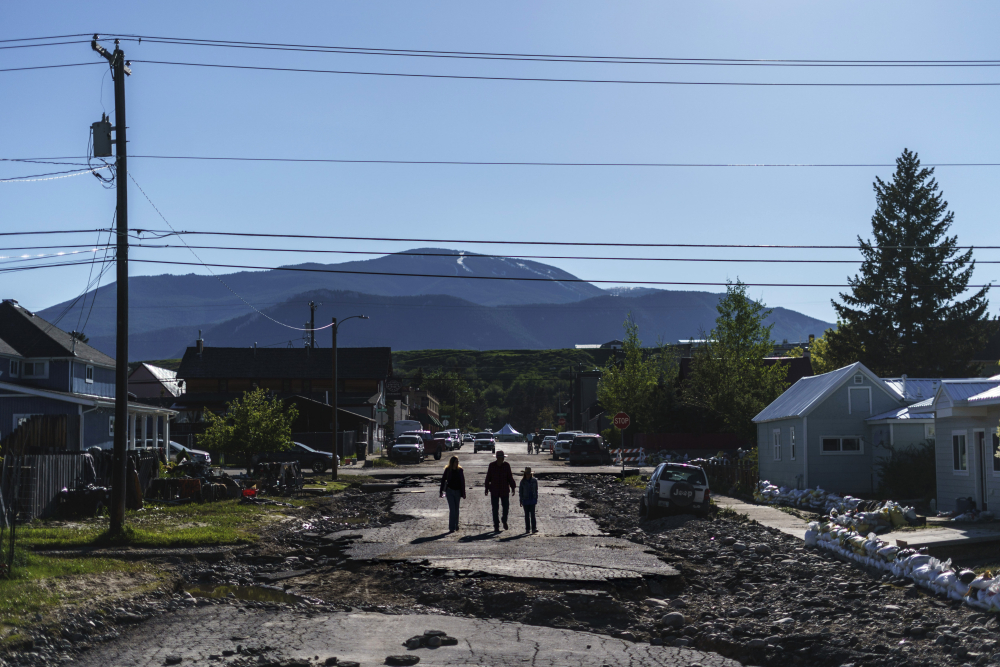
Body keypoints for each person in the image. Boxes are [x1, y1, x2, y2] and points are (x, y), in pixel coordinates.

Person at [484, 450, 516, 532]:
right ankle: (496, 525)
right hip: (494, 490)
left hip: (504, 490)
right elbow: (488, 477)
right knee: (495, 508)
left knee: (506, 507)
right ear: (497, 458)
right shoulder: (492, 466)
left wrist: (513, 487)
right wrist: (486, 488)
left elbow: (510, 477)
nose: (502, 459)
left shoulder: (506, 466)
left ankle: (504, 520)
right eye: (501, 458)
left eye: (503, 458)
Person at [440, 456, 466, 533]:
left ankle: (456, 525)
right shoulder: (448, 470)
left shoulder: (460, 470)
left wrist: (463, 493)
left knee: (456, 509)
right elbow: (443, 480)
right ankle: (451, 527)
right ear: (452, 463)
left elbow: (462, 482)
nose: (457, 463)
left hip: (458, 492)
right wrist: (441, 491)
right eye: (455, 462)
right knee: (452, 509)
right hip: (450, 491)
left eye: (458, 462)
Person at [519, 466, 538, 533]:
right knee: (527, 515)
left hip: (532, 499)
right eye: (527, 474)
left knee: (533, 514)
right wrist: (520, 500)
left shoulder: (534, 481)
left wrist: (536, 498)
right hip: (525, 500)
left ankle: (534, 528)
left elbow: (536, 490)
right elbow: (520, 491)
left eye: (529, 474)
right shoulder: (522, 482)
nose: (528, 475)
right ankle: (527, 529)